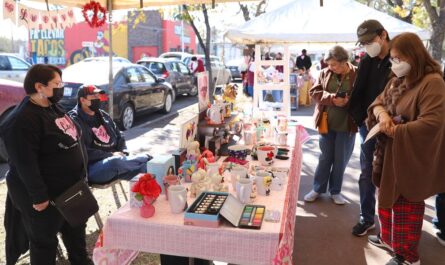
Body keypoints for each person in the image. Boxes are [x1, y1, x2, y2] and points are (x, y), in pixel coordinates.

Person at [0, 64, 92, 264]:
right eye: (57, 84)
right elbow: (24, 163)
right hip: (45, 198)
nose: (61, 88)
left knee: (76, 236)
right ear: (39, 86)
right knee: (44, 243)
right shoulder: (21, 120)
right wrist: (39, 196)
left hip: (71, 189)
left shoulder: (52, 106)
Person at [366, 32, 445, 265]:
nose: (394, 64)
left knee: (406, 206)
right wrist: (382, 115)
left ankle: (409, 258)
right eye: (392, 58)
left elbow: (433, 122)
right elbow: (378, 102)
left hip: (409, 154)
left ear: (414, 55)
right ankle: (393, 245)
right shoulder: (398, 80)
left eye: (399, 58)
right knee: (388, 201)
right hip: (390, 153)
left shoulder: (432, 82)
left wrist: (394, 130)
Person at [348, 19, 392, 237]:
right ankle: (367, 217)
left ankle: (392, 224)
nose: (366, 46)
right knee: (366, 172)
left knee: (391, 174)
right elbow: (357, 93)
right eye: (363, 43)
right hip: (368, 126)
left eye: (369, 41)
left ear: (383, 35)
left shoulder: (399, 59)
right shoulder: (366, 61)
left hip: (394, 128)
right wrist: (360, 121)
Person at [304, 46, 357, 205]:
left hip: (347, 123)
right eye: (329, 64)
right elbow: (314, 92)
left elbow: (363, 96)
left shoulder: (357, 73)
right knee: (325, 157)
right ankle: (318, 188)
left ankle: (336, 191)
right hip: (326, 121)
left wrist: (348, 101)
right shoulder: (324, 73)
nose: (331, 67)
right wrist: (332, 98)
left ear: (344, 61)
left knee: (340, 159)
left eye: (334, 64)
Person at [68, 85, 151, 184]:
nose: (98, 99)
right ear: (82, 100)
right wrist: (111, 155)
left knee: (147, 168)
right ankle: (144, 158)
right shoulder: (74, 120)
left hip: (118, 162)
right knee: (115, 162)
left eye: (98, 96)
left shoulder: (103, 115)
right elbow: (82, 152)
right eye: (94, 97)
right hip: (93, 168)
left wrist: (123, 151)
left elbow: (120, 135)